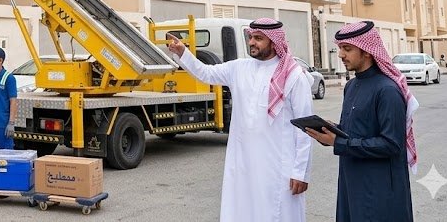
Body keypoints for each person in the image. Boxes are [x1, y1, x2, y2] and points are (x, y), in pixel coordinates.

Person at [166, 18, 313, 222]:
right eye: (250, 37)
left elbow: (305, 127)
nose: (252, 42)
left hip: (279, 166)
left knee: (279, 212)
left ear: (274, 42)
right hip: (244, 163)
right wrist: (183, 53)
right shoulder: (239, 68)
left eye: (258, 38)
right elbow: (206, 73)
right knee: (244, 211)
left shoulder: (294, 76)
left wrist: (301, 172)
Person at [304, 21, 417, 222]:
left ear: (367, 51)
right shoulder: (351, 86)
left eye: (347, 49)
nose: (341, 55)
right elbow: (356, 131)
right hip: (352, 182)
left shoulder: (387, 90)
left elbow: (391, 144)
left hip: (380, 188)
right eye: (340, 48)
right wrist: (331, 131)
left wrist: (339, 143)